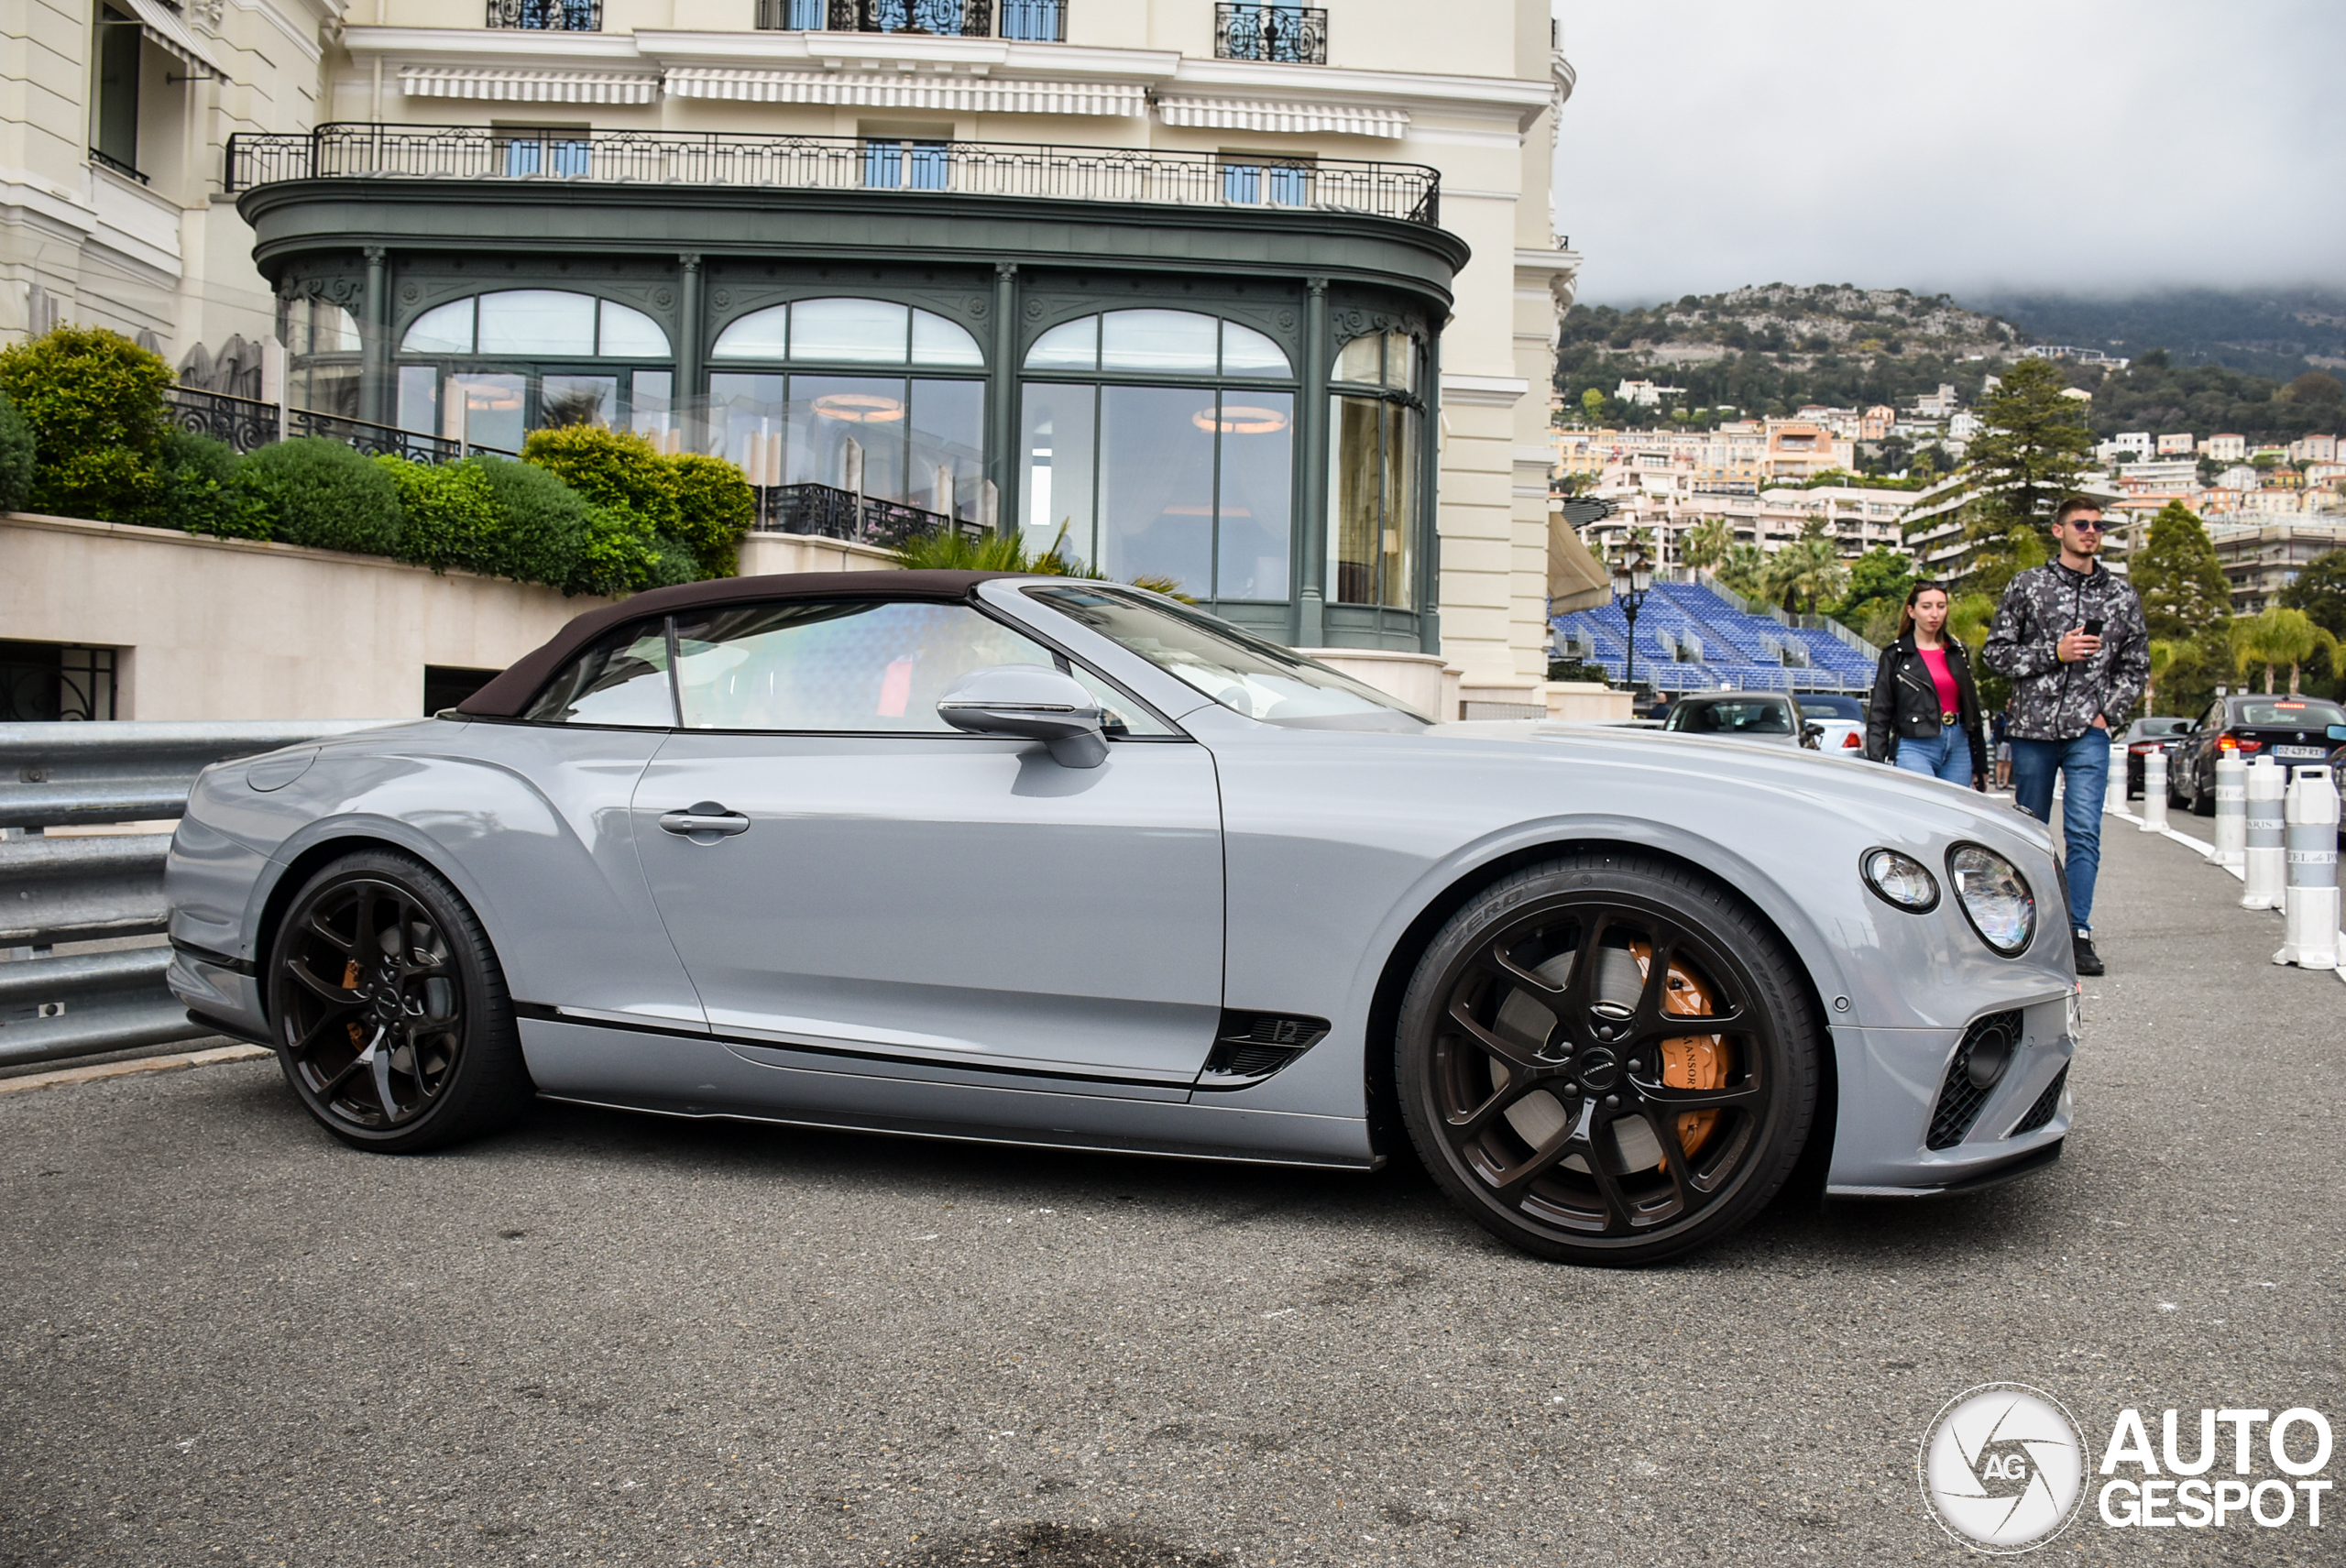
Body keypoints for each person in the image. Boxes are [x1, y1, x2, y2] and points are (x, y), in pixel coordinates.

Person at [1981, 498, 2150, 977]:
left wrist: (2106, 713)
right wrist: (2055, 651)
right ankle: (2024, 930)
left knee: (2083, 832)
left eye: (2098, 525)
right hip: (2033, 729)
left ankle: (2077, 932)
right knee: (2029, 833)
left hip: (2087, 732)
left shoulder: (2121, 595)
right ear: (2059, 530)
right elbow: (1996, 654)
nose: (2091, 531)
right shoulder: (2028, 586)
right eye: (2082, 524)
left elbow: (2135, 666)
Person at [1863, 581, 1986, 788]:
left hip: (1959, 743)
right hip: (1915, 743)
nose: (1935, 614)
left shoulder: (1957, 651)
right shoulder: (1895, 655)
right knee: (1922, 809)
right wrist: (1877, 761)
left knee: (1955, 814)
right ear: (1912, 611)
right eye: (1926, 606)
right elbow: (1880, 712)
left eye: (1941, 606)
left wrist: (1981, 764)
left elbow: (1972, 707)